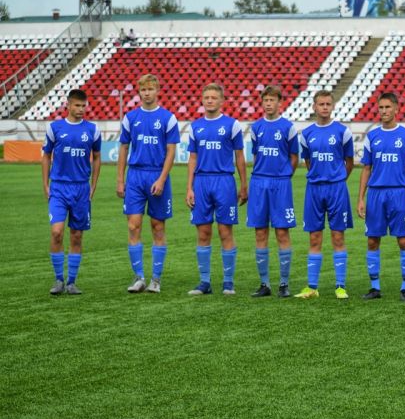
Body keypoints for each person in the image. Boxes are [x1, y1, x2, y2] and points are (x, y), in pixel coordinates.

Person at [116, 74, 179, 294]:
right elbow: (124, 148)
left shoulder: (168, 118)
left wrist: (161, 179)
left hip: (157, 175)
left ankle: (156, 279)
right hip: (135, 176)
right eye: (143, 90)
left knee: (157, 226)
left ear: (157, 91)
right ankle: (139, 277)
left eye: (151, 89)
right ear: (139, 92)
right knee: (133, 226)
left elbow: (171, 151)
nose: (147, 93)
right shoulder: (130, 118)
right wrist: (120, 179)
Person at [357, 92, 405, 301]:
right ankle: (375, 287)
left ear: (396, 109)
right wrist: (361, 198)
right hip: (375, 194)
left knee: (403, 240)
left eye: (387, 107)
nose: (383, 111)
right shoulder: (372, 136)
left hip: (399, 194)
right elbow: (366, 168)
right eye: (381, 107)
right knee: (372, 240)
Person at [185, 83, 248, 295]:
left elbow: (240, 157)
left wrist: (244, 185)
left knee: (225, 231)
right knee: (203, 232)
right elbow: (192, 158)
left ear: (221, 101)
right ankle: (204, 282)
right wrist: (189, 188)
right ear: (202, 100)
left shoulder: (232, 125)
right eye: (207, 97)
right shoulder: (195, 127)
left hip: (224, 182)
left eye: (214, 97)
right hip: (201, 182)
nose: (210, 100)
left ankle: (228, 282)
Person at [295, 90, 354, 299]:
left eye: (328, 104)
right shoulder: (306, 134)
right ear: (314, 107)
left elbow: (349, 162)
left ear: (333, 106)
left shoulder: (342, 132)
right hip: (314, 189)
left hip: (337, 188)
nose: (325, 107)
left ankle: (340, 286)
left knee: (338, 236)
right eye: (321, 104)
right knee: (314, 237)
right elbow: (308, 161)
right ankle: (312, 287)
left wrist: (337, 178)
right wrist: (319, 176)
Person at [42, 89, 102, 295]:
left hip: (81, 188)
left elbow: (97, 157)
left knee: (76, 236)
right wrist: (45, 184)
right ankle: (58, 279)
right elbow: (46, 156)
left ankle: (71, 282)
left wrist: (93, 185)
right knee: (56, 232)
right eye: (77, 105)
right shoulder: (55, 128)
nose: (81, 109)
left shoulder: (92, 129)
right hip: (59, 187)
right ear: (68, 105)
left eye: (84, 105)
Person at [247, 85, 299, 298]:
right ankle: (265, 284)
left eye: (272, 100)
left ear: (280, 103)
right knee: (260, 232)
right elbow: (256, 155)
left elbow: (294, 157)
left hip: (280, 184)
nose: (268, 104)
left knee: (282, 232)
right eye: (266, 100)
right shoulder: (256, 127)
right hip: (259, 183)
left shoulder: (288, 127)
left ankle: (284, 284)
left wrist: (284, 176)